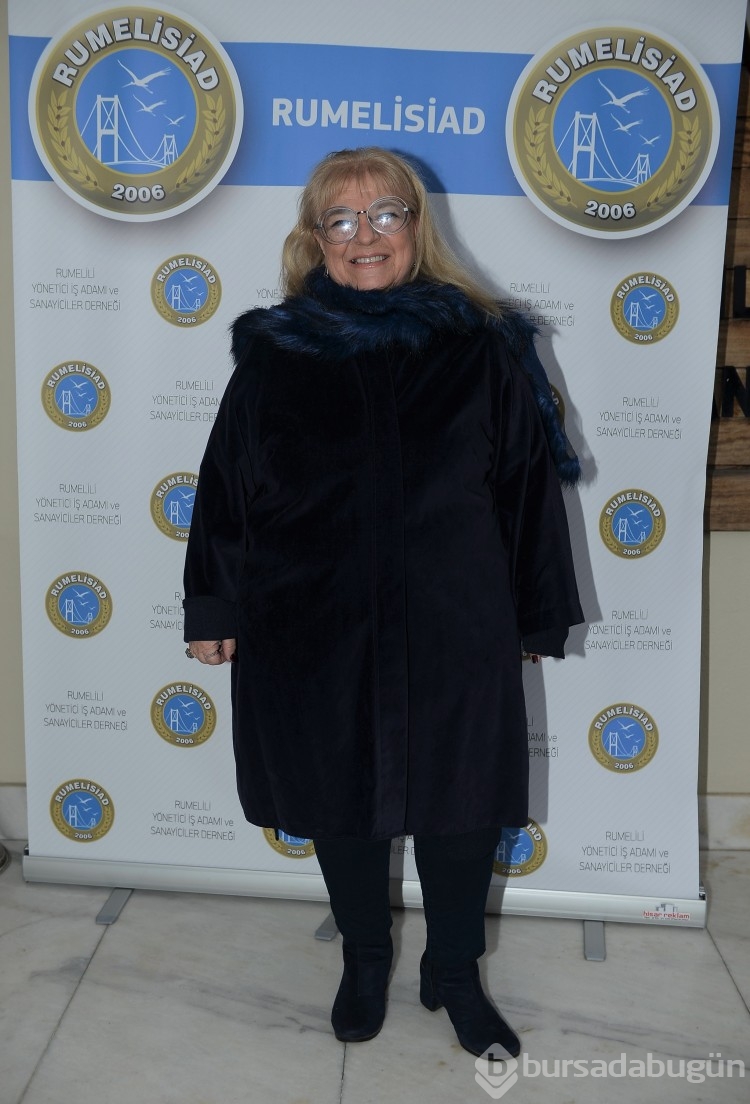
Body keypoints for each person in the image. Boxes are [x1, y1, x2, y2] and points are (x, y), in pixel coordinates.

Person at [183, 146, 584, 1057]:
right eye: (341, 219)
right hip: (309, 622)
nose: (364, 235)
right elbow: (227, 485)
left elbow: (526, 487)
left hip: (455, 618)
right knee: (336, 794)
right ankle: (365, 957)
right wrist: (213, 607)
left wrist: (535, 613)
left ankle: (454, 972)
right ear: (315, 238)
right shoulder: (276, 353)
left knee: (462, 803)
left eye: (385, 214)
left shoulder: (482, 346)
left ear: (416, 227)